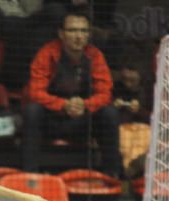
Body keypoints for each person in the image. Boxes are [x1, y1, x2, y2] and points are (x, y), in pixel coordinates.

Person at [21, 7, 121, 176]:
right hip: (52, 121)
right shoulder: (47, 53)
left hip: (83, 120)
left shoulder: (95, 56)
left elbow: (105, 93)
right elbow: (35, 92)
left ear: (89, 34)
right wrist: (64, 105)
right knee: (32, 110)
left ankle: (112, 177)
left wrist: (85, 105)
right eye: (72, 30)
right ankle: (29, 175)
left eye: (83, 31)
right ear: (61, 33)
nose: (78, 36)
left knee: (110, 113)